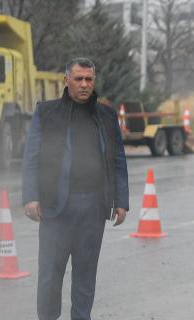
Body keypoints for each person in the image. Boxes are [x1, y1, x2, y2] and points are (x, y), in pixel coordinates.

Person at [21, 57, 129, 320]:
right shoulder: (46, 112)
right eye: (78, 78)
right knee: (49, 275)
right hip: (57, 209)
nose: (84, 84)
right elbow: (31, 157)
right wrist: (31, 196)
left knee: (86, 274)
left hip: (92, 208)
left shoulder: (106, 115)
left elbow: (117, 159)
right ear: (66, 80)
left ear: (94, 80)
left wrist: (121, 201)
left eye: (89, 79)